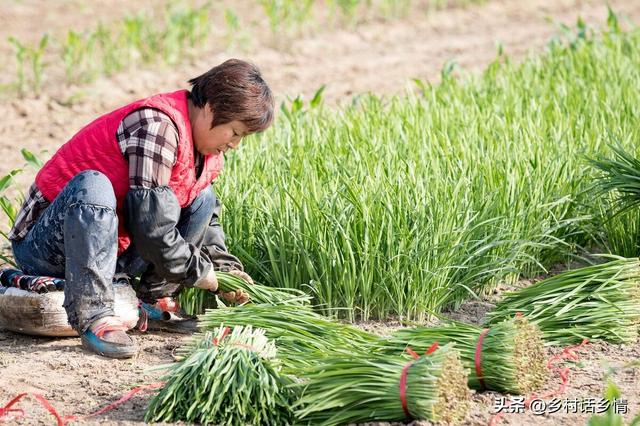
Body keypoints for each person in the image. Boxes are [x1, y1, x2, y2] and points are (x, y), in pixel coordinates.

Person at [8, 59, 274, 358]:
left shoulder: (206, 154)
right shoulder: (158, 126)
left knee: (204, 198)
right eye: (235, 132)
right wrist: (200, 272)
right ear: (211, 107)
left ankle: (154, 298)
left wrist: (226, 271)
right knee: (94, 184)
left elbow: (205, 223)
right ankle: (95, 315)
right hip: (49, 245)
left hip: (110, 249)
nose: (235, 144)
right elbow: (152, 227)